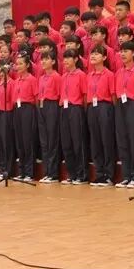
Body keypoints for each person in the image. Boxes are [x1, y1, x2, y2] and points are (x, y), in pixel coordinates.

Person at [114, 41, 134, 188]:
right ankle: (126, 175)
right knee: (122, 141)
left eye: (126, 51)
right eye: (121, 51)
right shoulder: (119, 72)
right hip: (121, 105)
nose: (122, 54)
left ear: (133, 53)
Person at [87, 45, 117, 186]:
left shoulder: (109, 74)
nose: (93, 56)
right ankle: (99, 173)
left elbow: (113, 95)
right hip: (92, 107)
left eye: (97, 54)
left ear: (104, 57)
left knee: (106, 140)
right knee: (95, 141)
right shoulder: (89, 75)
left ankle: (109, 174)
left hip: (105, 107)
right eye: (92, 53)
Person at [59, 50, 88, 184]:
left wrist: (83, 111)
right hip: (64, 109)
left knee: (78, 142)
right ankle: (72, 174)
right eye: (64, 58)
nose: (65, 60)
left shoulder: (81, 75)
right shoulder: (63, 76)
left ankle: (82, 174)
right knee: (67, 143)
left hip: (76, 108)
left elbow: (85, 95)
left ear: (76, 59)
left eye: (68, 58)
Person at [13, 54, 39, 181]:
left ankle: (29, 172)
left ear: (27, 65)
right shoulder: (16, 80)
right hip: (17, 109)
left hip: (28, 109)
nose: (18, 66)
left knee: (28, 140)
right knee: (20, 141)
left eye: (21, 64)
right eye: (16, 64)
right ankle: (22, 171)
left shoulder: (32, 79)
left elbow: (36, 97)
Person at [37, 51, 62, 183]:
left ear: (53, 61)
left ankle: (53, 173)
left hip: (52, 106)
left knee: (52, 140)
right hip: (42, 106)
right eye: (42, 59)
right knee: (44, 141)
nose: (43, 62)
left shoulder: (57, 77)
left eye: (46, 59)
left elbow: (59, 95)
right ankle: (47, 171)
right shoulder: (41, 78)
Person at [0, 59, 16, 182]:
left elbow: (12, 100)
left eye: (2, 68)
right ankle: (0, 169)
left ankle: (7, 170)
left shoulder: (11, 83)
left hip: (7, 113)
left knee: (6, 142)